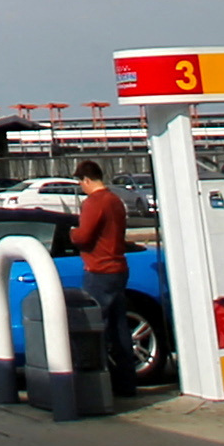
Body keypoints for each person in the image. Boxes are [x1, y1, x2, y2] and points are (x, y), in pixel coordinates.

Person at [68, 160, 134, 392]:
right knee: (120, 328)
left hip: (99, 270)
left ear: (86, 180)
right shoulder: (116, 201)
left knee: (95, 328)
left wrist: (72, 233)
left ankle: (97, 384)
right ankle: (126, 382)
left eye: (81, 183)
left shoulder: (94, 203)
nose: (81, 187)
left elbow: (84, 236)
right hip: (118, 268)